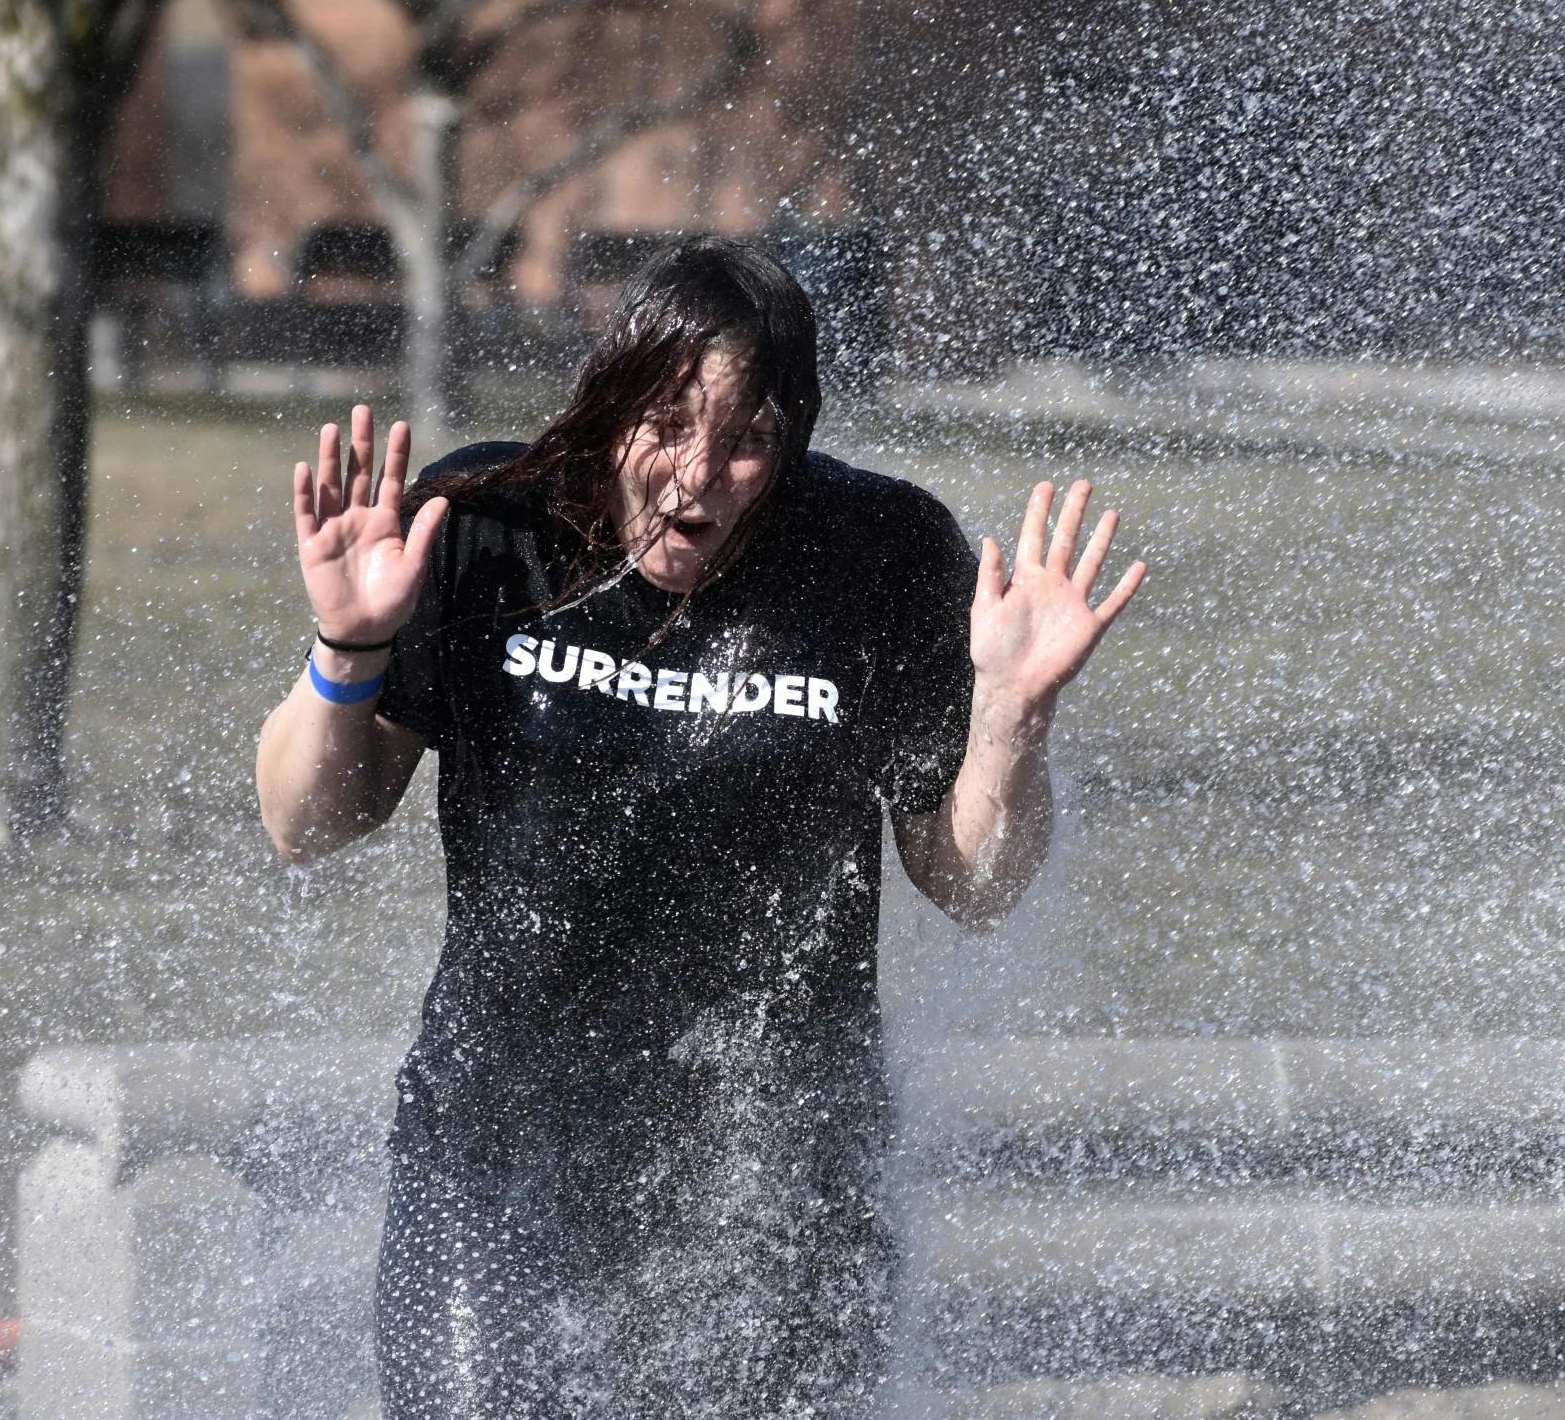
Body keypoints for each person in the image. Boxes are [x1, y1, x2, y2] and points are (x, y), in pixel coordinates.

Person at [255, 236, 1144, 1419]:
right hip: (494, 1148)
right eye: (665, 424)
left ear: (793, 441)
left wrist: (1010, 721)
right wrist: (346, 648)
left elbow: (969, 880)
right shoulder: (484, 527)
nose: (696, 476)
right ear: (610, 402)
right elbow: (307, 824)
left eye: (746, 443)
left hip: (778, 1174)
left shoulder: (877, 558)